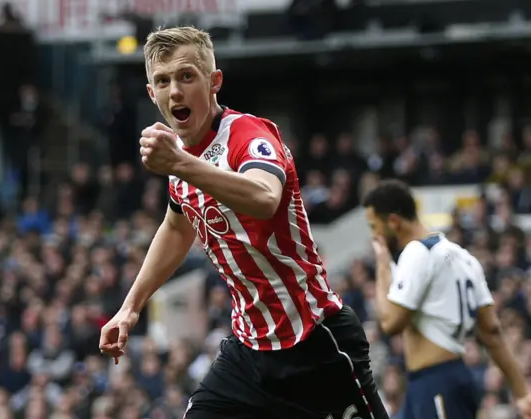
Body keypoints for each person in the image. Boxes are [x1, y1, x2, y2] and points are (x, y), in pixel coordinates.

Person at [99, 26, 389, 419]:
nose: (175, 91)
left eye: (187, 76)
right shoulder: (179, 154)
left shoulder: (247, 134)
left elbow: (264, 198)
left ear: (214, 81)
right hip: (249, 352)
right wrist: (130, 307)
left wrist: (181, 164)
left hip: (313, 344)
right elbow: (176, 226)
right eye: (163, 82)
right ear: (152, 94)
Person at [363, 179, 531, 419]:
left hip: (435, 382)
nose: (374, 236)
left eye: (374, 226)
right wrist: (522, 391)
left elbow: (391, 323)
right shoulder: (465, 257)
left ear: (393, 222)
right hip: (447, 379)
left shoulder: (416, 252)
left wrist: (382, 264)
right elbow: (491, 330)